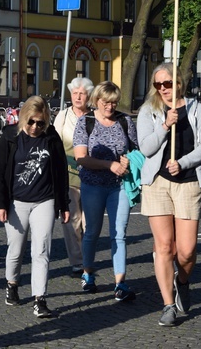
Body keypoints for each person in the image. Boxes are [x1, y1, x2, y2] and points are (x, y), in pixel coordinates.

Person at [137, 63, 201, 327]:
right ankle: (168, 305)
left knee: (186, 251)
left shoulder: (195, 109)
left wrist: (184, 162)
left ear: (178, 82)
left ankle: (182, 281)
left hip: (188, 182)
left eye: (167, 83)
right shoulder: (149, 111)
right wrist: (164, 125)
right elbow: (146, 148)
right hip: (157, 182)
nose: (163, 89)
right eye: (158, 85)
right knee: (164, 247)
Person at [0, 96, 70, 319]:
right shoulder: (9, 137)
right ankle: (12, 283)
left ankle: (40, 299)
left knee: (41, 250)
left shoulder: (52, 138)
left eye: (41, 123)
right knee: (15, 249)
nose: (35, 127)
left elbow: (61, 172)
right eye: (31, 122)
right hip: (16, 202)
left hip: (44, 201)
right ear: (23, 118)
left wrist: (64, 204)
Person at [73, 81, 138, 301]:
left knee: (119, 234)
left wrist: (128, 160)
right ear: (96, 101)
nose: (110, 107)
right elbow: (81, 157)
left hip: (119, 186)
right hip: (92, 184)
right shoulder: (85, 122)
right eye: (105, 102)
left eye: (113, 103)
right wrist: (108, 164)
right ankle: (88, 273)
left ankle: (120, 282)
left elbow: (135, 150)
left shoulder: (125, 121)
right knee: (92, 231)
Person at [53, 77, 94, 276]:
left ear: (89, 96)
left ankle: (87, 260)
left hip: (92, 177)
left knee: (89, 222)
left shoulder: (95, 117)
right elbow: (54, 143)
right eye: (75, 93)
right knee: (72, 222)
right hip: (68, 177)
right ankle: (77, 262)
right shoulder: (63, 115)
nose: (78, 97)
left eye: (82, 93)